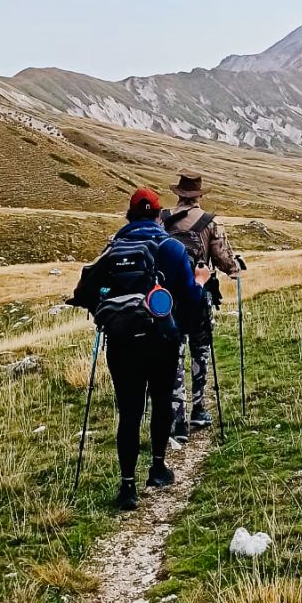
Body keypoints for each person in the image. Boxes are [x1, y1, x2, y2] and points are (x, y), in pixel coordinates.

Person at [70, 187, 210, 510]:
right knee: (161, 403)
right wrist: (201, 281)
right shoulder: (171, 249)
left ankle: (127, 487)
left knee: (129, 412)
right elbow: (190, 297)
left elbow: (85, 292)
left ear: (130, 216)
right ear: (158, 215)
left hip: (121, 343)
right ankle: (158, 468)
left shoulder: (113, 249)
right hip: (162, 341)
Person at [163, 171, 239, 441]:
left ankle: (177, 418)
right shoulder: (210, 222)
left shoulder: (163, 220)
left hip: (168, 299)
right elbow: (223, 259)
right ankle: (199, 408)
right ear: (198, 196)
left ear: (178, 194)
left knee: (174, 354)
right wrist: (235, 267)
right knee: (200, 350)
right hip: (199, 295)